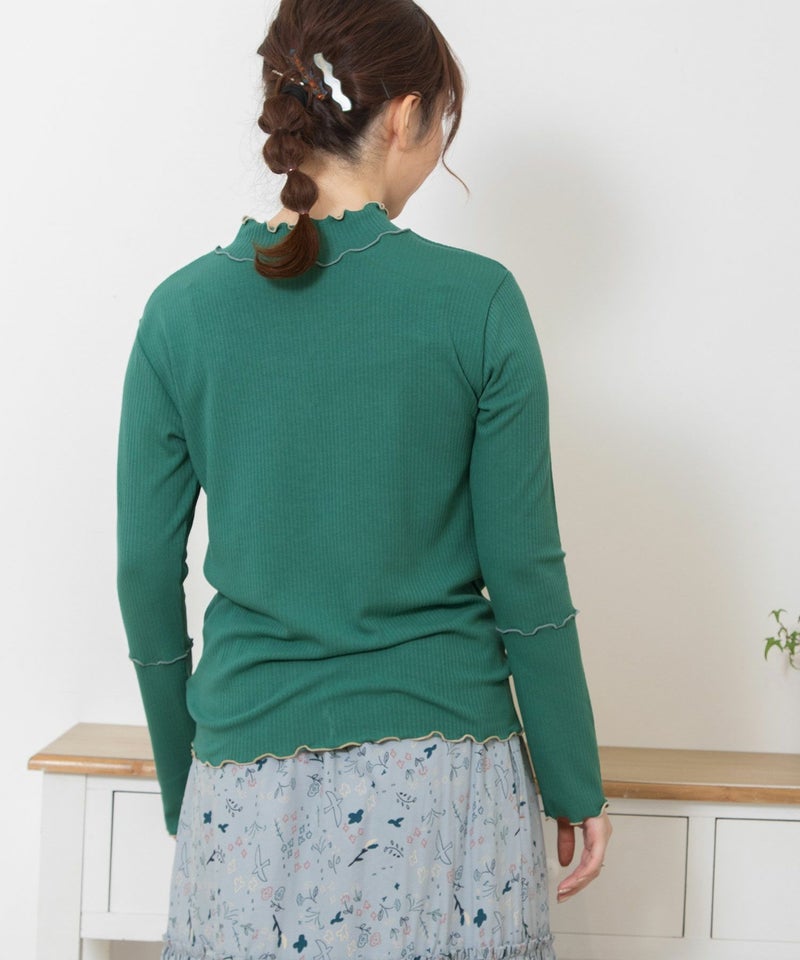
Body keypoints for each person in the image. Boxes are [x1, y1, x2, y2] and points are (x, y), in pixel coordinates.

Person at [116, 1, 612, 958]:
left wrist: (187, 781)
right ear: (404, 114)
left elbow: (144, 572)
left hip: (245, 791)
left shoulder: (180, 314)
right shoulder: (478, 302)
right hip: (449, 789)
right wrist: (572, 777)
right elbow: (525, 573)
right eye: (441, 121)